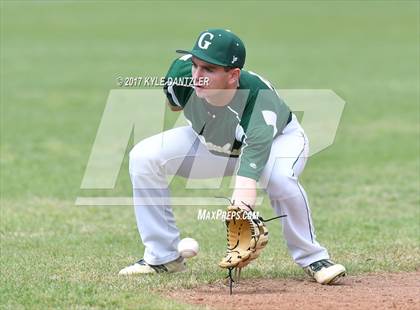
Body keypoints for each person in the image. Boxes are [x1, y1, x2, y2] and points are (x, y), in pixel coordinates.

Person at [119, 29, 346, 284]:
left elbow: (247, 180)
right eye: (195, 65)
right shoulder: (179, 78)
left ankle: (313, 257)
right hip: (217, 143)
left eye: (209, 69)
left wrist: (241, 219)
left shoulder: (260, 103)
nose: (197, 76)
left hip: (278, 142)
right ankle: (162, 257)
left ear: (233, 75)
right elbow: (176, 104)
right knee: (144, 156)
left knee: (279, 179)